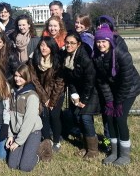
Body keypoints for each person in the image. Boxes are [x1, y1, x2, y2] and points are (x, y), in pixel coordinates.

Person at [92, 24, 140, 166]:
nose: (101, 44)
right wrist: (109, 101)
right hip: (113, 89)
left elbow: (126, 81)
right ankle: (114, 152)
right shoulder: (97, 57)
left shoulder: (122, 55)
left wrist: (118, 103)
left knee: (119, 118)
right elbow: (102, 82)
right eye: (98, 41)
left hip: (130, 89)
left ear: (110, 42)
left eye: (104, 41)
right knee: (109, 117)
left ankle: (125, 155)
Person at [62, 31, 100, 159]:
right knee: (77, 117)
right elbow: (69, 79)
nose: (69, 45)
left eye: (72, 43)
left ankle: (93, 150)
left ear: (78, 44)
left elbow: (90, 80)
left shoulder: (84, 57)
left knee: (85, 118)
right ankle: (85, 146)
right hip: (78, 91)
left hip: (90, 91)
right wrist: (74, 94)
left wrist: (83, 99)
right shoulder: (66, 57)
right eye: (67, 42)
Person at [28, 36, 65, 153]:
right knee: (44, 115)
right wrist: (44, 98)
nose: (44, 48)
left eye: (47, 46)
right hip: (41, 93)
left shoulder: (58, 60)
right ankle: (47, 140)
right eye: (42, 45)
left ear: (52, 47)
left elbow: (59, 82)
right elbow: (34, 80)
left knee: (54, 115)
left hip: (56, 93)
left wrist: (52, 101)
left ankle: (56, 140)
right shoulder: (34, 59)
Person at [6, 64, 43, 172]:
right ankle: (25, 150)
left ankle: (40, 152)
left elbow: (29, 122)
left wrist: (18, 142)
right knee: (12, 164)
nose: (17, 79)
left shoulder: (31, 95)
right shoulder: (12, 93)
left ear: (27, 77)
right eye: (16, 76)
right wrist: (10, 135)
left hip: (32, 132)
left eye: (21, 76)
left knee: (25, 167)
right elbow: (10, 116)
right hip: (18, 132)